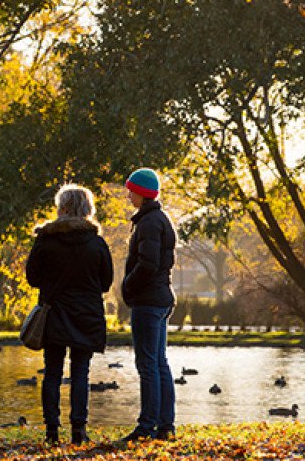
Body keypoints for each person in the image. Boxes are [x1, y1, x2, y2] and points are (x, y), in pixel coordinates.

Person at [25, 184, 114, 445]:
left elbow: (32, 277)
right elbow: (106, 282)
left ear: (62, 208)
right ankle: (79, 430)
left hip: (54, 313)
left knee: (52, 371)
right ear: (88, 209)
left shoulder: (46, 240)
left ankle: (52, 430)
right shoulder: (97, 243)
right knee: (80, 373)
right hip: (86, 315)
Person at [120, 168, 177, 442]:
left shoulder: (149, 223)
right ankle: (165, 426)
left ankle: (147, 426)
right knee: (159, 363)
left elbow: (148, 263)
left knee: (148, 364)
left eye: (131, 189)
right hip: (160, 297)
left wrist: (128, 285)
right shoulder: (158, 218)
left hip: (149, 300)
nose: (127, 193)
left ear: (141, 193)